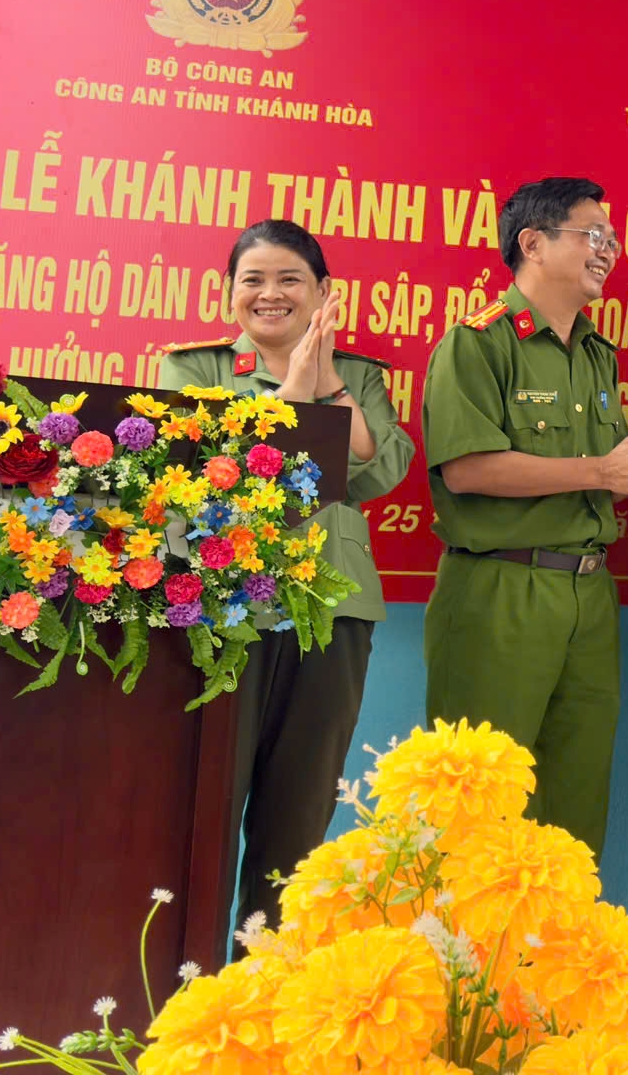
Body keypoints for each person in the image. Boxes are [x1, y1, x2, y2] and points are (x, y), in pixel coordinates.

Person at [420, 176, 628, 854]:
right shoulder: (478, 342)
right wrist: (604, 471)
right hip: (499, 592)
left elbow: (593, 476)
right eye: (592, 235)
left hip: (588, 593)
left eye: (613, 239)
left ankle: (561, 960)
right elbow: (468, 468)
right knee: (480, 808)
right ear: (533, 243)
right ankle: (471, 962)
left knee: (575, 805)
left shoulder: (597, 355)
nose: (609, 250)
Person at [158, 219, 413, 945]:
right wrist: (296, 388)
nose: (270, 295)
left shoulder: (359, 375)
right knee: (202, 806)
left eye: (290, 279)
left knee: (297, 814)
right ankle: (186, 989)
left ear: (323, 292)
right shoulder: (194, 369)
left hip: (334, 608)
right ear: (229, 292)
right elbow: (214, 477)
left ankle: (266, 984)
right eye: (253, 281)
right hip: (223, 609)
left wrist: (327, 378)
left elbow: (380, 467)